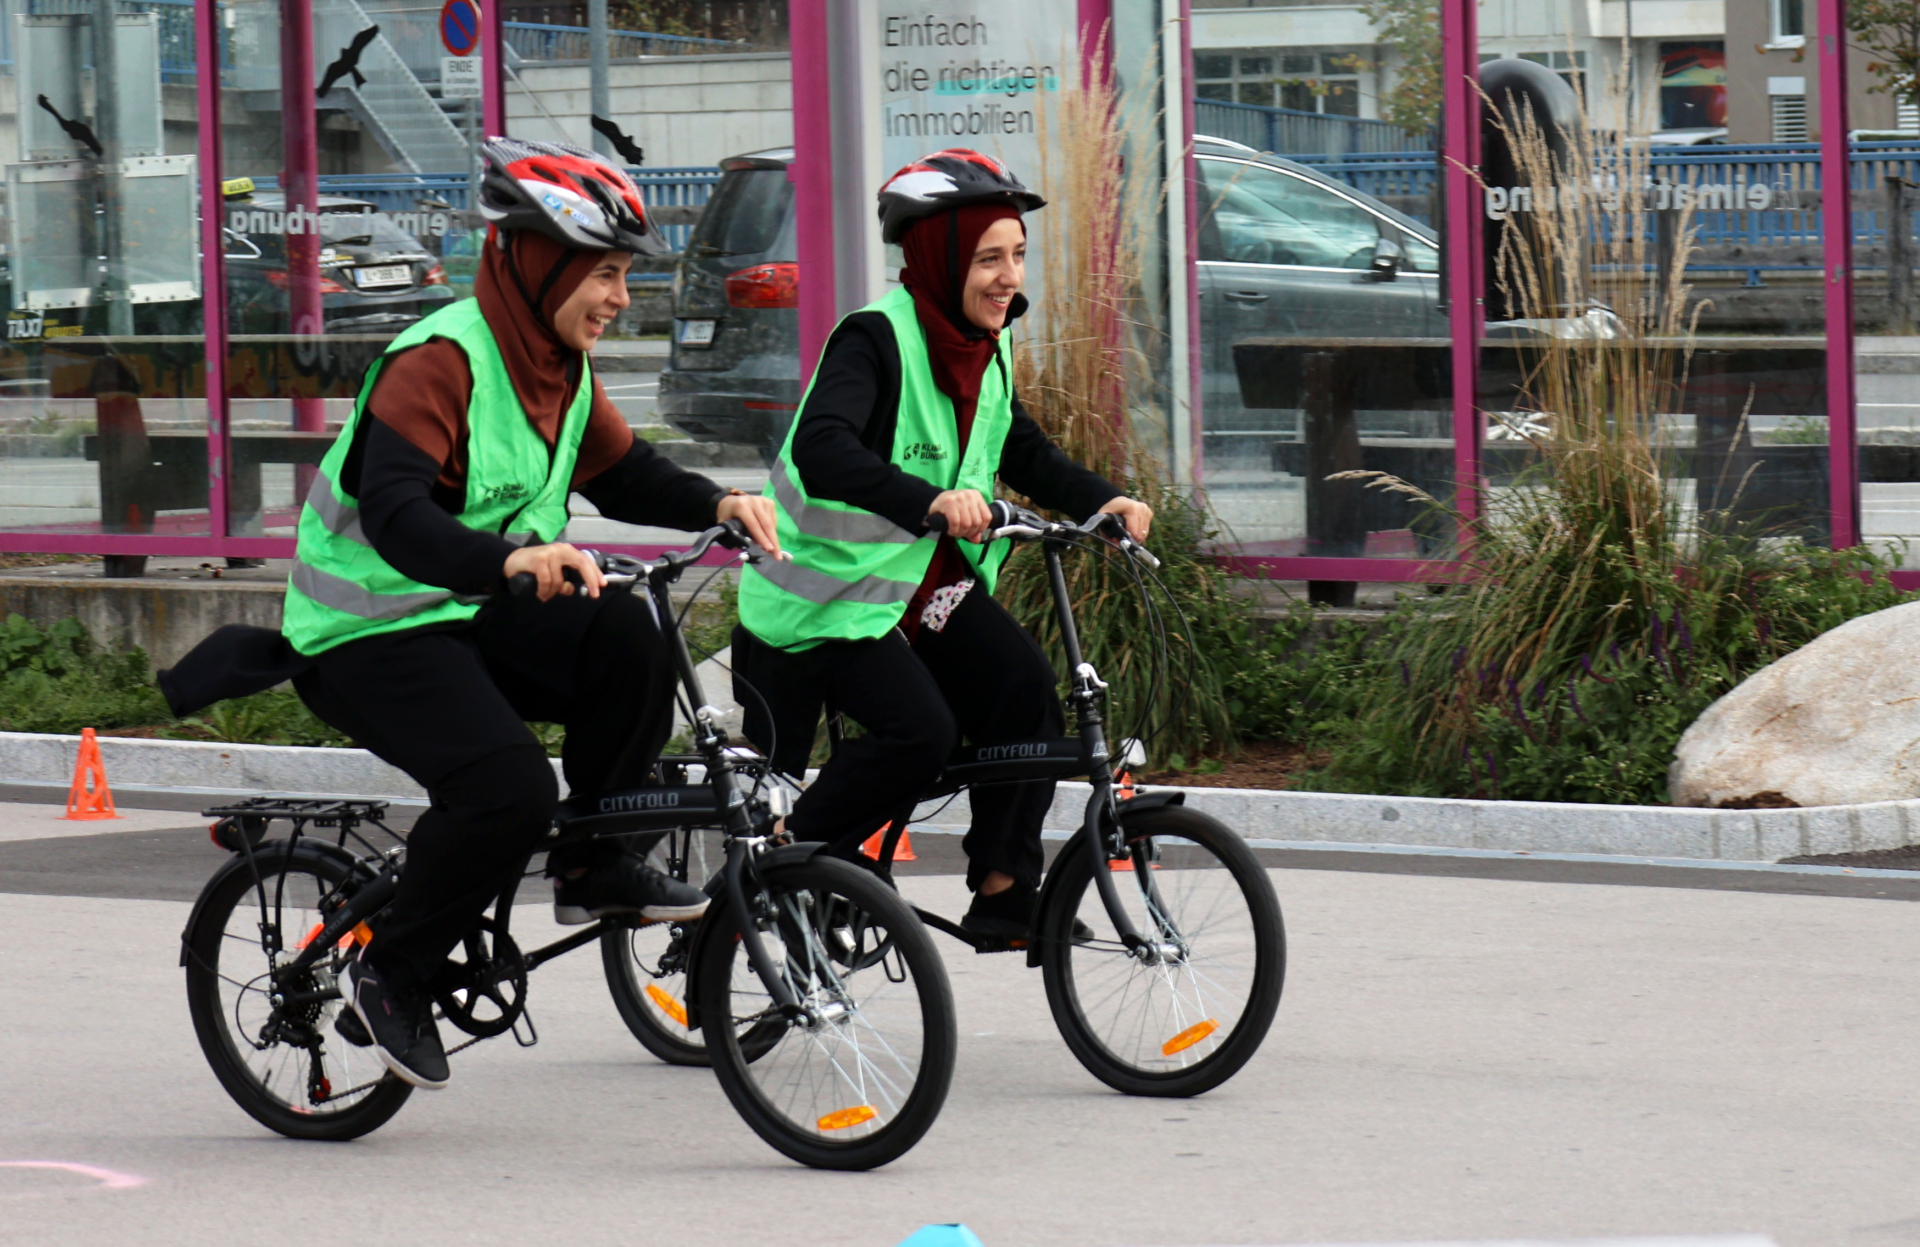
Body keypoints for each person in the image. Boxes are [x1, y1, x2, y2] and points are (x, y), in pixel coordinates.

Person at [280, 138, 779, 1089]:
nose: (621, 298)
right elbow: (395, 513)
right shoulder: (439, 362)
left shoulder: (559, 366)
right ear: (538, 263)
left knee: (628, 629)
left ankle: (597, 862)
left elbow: (624, 471)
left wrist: (716, 502)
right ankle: (389, 971)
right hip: (365, 633)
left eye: (627, 275)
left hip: (468, 614)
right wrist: (511, 556)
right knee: (507, 789)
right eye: (604, 273)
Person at [732, 148, 1152, 942]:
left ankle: (1003, 888)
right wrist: (927, 501)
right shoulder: (875, 340)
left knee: (1021, 687)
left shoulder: (984, 344)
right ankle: (792, 866)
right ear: (940, 257)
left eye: (1018, 255)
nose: (1008, 276)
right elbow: (822, 447)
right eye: (989, 257)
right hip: (823, 599)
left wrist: (1107, 502)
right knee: (918, 733)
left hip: (913, 588)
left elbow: (1019, 447)